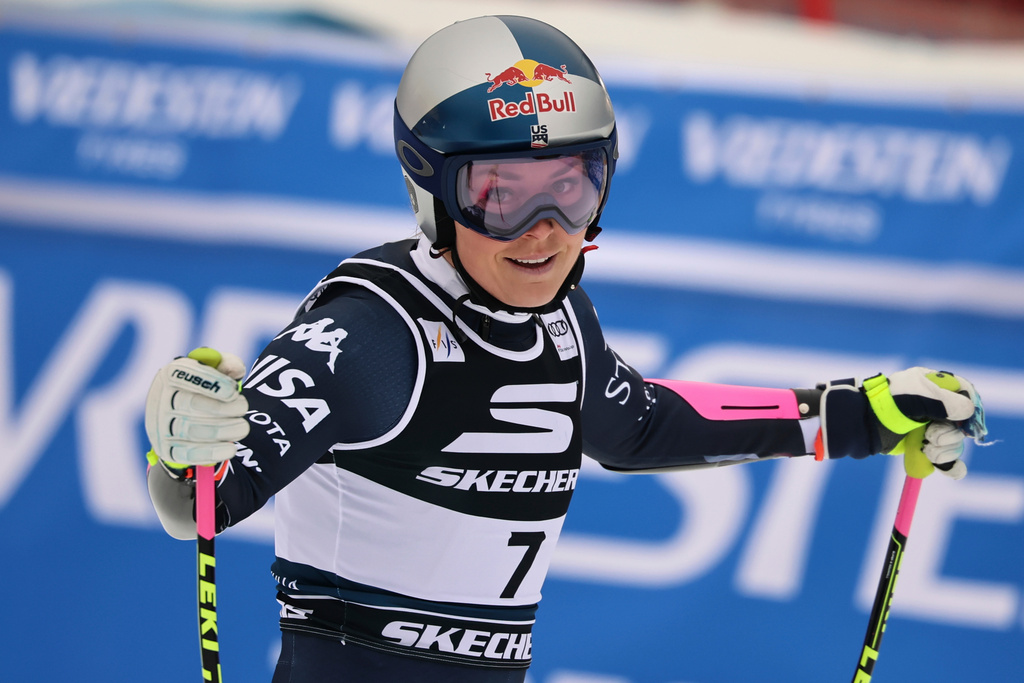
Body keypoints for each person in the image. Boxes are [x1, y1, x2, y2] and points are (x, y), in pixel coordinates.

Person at [143, 15, 988, 683]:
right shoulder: (374, 328)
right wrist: (186, 438)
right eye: (500, 194)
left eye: (572, 189)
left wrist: (854, 412)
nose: (544, 234)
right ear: (430, 191)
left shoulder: (561, 324)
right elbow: (203, 496)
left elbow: (644, 424)